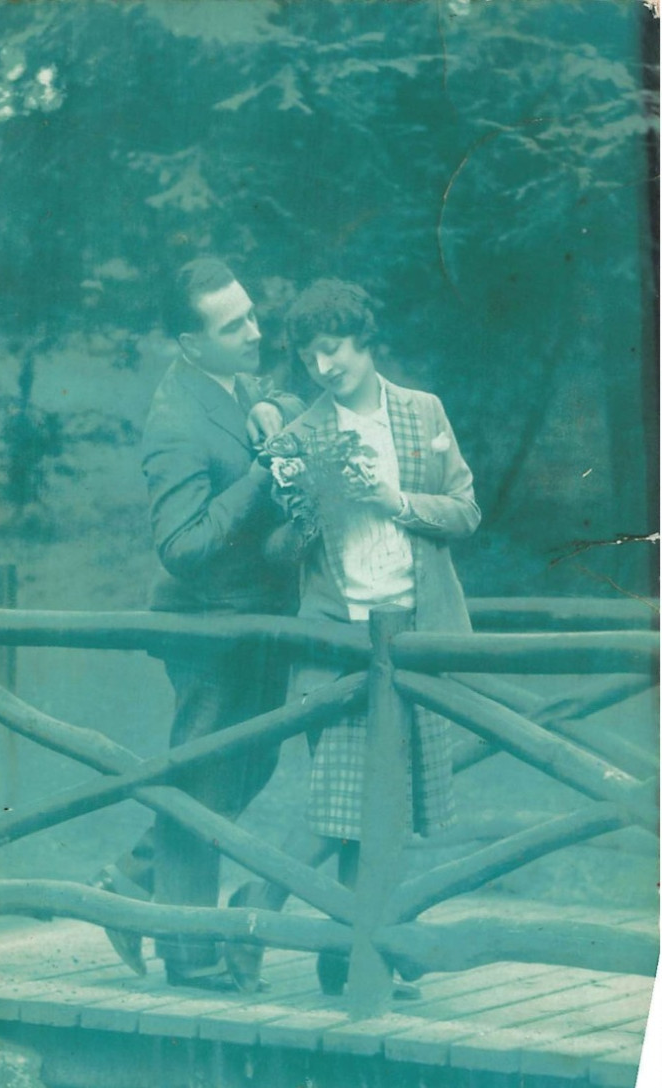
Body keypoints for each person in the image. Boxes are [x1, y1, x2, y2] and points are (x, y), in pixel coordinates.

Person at [226, 278, 480, 996]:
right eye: (308, 357)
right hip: (339, 641)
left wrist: (391, 500)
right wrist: (309, 512)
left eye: (332, 349)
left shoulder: (420, 413)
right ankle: (267, 909)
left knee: (386, 809)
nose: (323, 367)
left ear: (363, 339)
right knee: (343, 799)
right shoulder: (299, 435)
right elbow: (275, 549)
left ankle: (347, 952)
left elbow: (465, 511)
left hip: (415, 636)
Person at [100, 257, 304, 988]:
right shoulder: (174, 422)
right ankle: (186, 954)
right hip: (208, 626)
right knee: (202, 779)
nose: (254, 331)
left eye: (250, 313)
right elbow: (181, 547)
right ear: (190, 344)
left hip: (259, 618)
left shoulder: (235, 382)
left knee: (246, 769)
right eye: (233, 325)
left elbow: (272, 391)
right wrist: (260, 475)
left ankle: (130, 880)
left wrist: (272, 409)